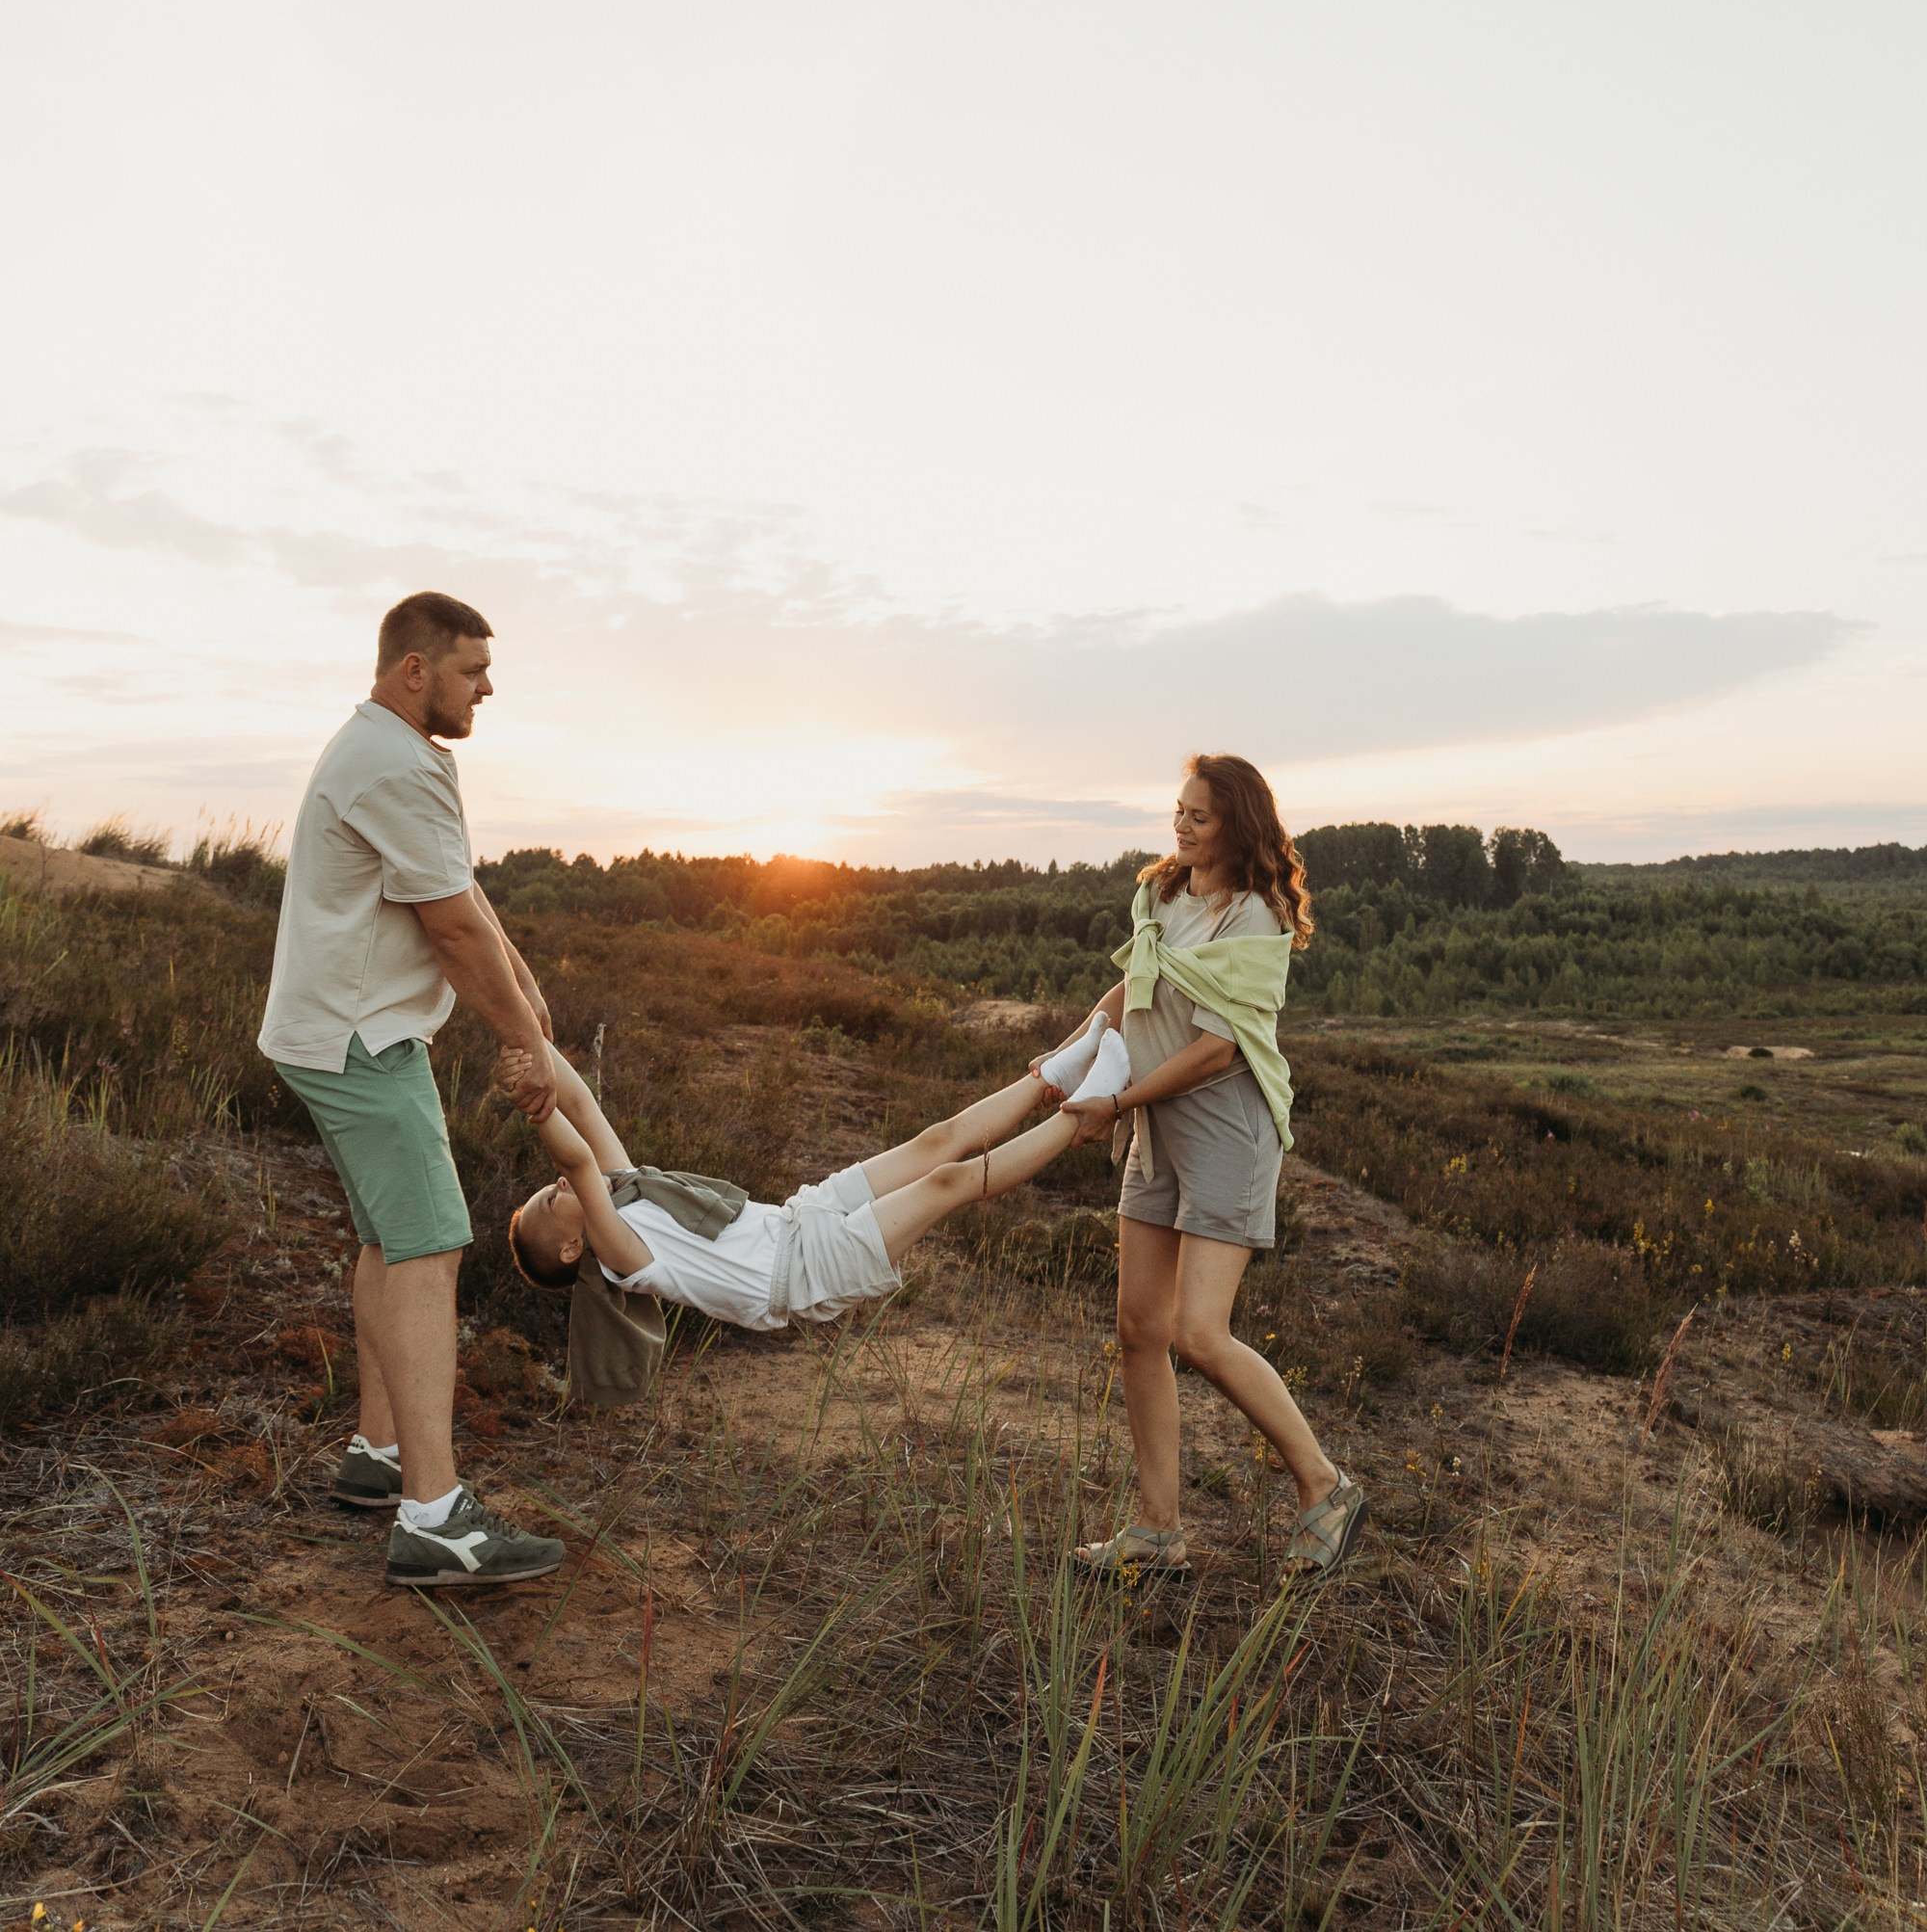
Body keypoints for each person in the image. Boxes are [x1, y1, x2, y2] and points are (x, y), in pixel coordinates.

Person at [258, 592, 569, 1589]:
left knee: (391, 1242)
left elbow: (462, 896)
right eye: (473, 668)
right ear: (414, 671)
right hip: (360, 1042)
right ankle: (433, 1519)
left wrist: (524, 991)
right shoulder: (393, 760)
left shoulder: (393, 755)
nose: (488, 685)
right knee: (431, 1248)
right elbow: (451, 929)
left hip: (344, 1034)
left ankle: (378, 1454)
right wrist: (530, 1050)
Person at [1034, 754, 1366, 1579]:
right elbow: (1129, 992)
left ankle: (1326, 1488)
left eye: (1200, 818)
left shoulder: (1255, 918)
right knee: (1139, 1328)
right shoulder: (1162, 895)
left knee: (1197, 1332)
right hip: (1155, 1122)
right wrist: (1067, 1058)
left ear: (1239, 826)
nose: (1180, 826)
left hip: (1226, 1129)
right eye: (1177, 810)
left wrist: (1115, 1104)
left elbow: (1218, 1052)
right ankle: (1157, 1529)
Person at [504, 1025, 1134, 1354]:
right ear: (569, 1250)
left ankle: (1054, 1075)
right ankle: (1085, 1109)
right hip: (806, 1272)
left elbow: (583, 1105)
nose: (556, 1186)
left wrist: (524, 1031)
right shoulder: (622, 1260)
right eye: (547, 1201)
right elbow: (579, 1159)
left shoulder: (627, 1194)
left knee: (936, 1142)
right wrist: (536, 1111)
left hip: (800, 1219)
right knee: (950, 1183)